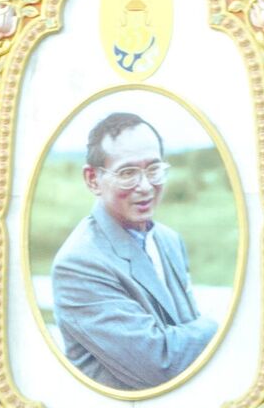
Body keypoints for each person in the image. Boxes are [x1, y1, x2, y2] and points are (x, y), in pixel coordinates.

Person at [50, 112, 218, 390]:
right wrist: (225, 325)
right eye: (127, 173)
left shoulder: (168, 239)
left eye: (153, 169)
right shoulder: (79, 263)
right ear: (92, 179)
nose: (145, 186)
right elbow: (161, 363)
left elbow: (186, 331)